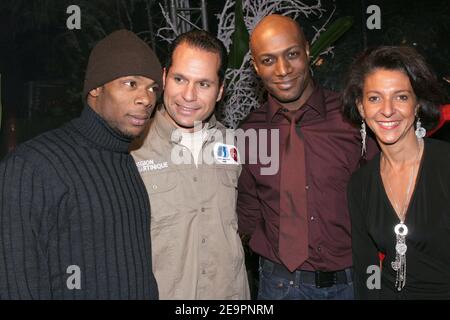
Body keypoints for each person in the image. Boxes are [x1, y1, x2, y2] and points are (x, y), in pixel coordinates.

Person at [0, 30, 162, 299]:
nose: (146, 98)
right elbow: (14, 283)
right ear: (96, 87)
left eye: (153, 87)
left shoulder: (126, 162)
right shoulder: (32, 167)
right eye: (131, 83)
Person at [237, 14, 378, 300]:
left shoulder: (353, 118)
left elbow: (385, 194)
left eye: (291, 54)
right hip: (277, 285)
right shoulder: (250, 130)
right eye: (268, 60)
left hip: (351, 284)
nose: (283, 70)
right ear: (255, 67)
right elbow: (248, 211)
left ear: (308, 51)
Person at [131, 30, 250, 300]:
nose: (188, 95)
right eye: (180, 79)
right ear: (164, 78)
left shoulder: (233, 146)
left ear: (220, 91)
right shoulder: (131, 150)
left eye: (204, 84)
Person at [343, 46, 450, 299]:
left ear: (417, 105)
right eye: (374, 98)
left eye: (401, 97)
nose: (387, 110)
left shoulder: (446, 164)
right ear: (361, 108)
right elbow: (366, 270)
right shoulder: (360, 183)